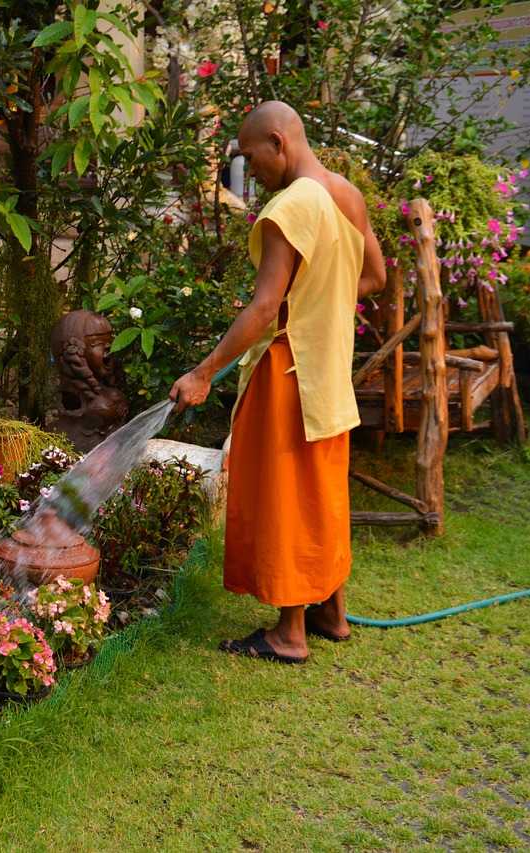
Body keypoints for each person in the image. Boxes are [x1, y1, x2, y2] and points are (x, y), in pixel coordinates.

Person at [169, 101, 385, 664]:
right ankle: (331, 616)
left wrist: (202, 372)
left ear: (277, 142)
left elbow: (265, 308)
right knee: (322, 495)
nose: (250, 168)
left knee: (287, 496)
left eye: (249, 155)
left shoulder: (294, 205)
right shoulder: (345, 194)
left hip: (291, 372)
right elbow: (375, 276)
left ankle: (290, 634)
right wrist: (324, 300)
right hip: (331, 370)